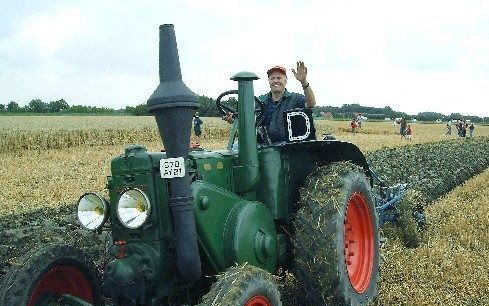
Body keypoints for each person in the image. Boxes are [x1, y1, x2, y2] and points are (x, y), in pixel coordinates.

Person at [223, 62, 316, 143]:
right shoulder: (259, 101)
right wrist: (233, 120)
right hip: (263, 146)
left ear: (285, 80)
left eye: (279, 78)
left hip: (287, 148)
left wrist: (304, 82)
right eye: (272, 78)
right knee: (236, 148)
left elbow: (311, 104)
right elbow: (247, 122)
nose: (275, 81)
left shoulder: (295, 99)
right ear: (269, 81)